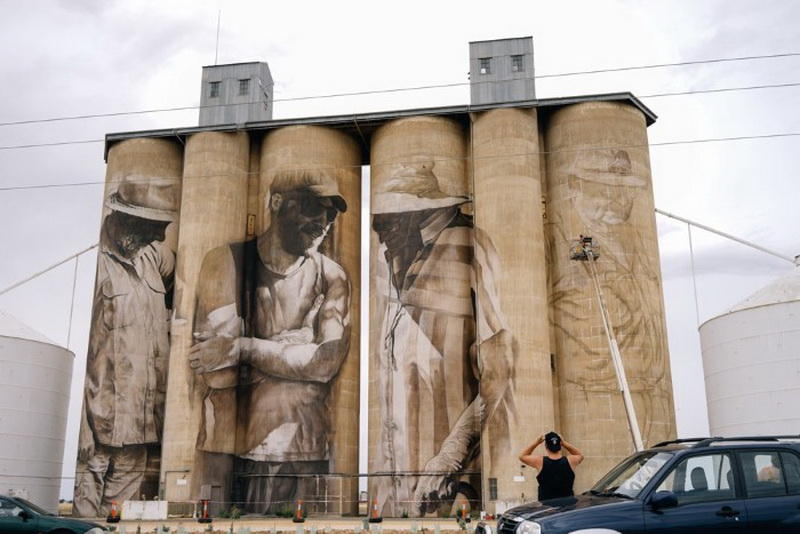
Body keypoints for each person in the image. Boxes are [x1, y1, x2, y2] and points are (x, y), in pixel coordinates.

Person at [188, 169, 351, 514]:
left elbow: (326, 363)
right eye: (310, 206)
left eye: (330, 212)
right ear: (277, 202)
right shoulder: (226, 262)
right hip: (232, 452)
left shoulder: (331, 275)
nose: (322, 221)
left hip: (307, 450)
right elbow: (217, 374)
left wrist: (243, 348)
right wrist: (299, 343)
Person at [370, 160, 516, 517]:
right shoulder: (393, 260)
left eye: (389, 218)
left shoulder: (468, 247)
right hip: (401, 479)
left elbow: (501, 369)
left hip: (451, 478)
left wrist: (451, 460)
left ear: (420, 214)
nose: (377, 228)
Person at [74, 174, 180, 517]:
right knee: (88, 502)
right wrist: (86, 428)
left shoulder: (152, 257)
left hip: (143, 416)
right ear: (126, 219)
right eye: (155, 226)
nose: (161, 236)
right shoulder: (101, 264)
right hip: (102, 418)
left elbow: (180, 277)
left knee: (119, 511)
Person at [519, 432, 584, 501]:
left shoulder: (539, 461)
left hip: (546, 508)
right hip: (567, 507)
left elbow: (522, 456)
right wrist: (564, 443)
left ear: (546, 446)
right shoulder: (571, 461)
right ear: (560, 446)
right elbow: (580, 455)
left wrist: (537, 442)